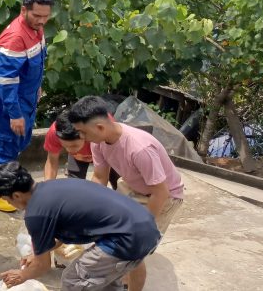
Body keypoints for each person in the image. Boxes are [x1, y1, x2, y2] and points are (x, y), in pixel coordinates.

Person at [68, 96, 185, 291]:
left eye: (82, 132)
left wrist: (142, 227)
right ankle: (122, 273)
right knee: (112, 232)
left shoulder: (139, 148)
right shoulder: (99, 141)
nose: (81, 137)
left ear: (99, 127)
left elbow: (161, 192)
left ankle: (130, 282)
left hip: (165, 196)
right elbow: (99, 177)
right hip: (132, 186)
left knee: (133, 246)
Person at [0, 162, 160, 291]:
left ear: (16, 195)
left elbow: (43, 266)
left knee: (74, 280)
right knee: (102, 279)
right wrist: (38, 253)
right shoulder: (52, 187)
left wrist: (22, 274)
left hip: (126, 238)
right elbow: (59, 237)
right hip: (145, 226)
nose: (8, 203)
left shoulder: (35, 213)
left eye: (7, 200)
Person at [0, 0, 54, 212]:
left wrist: (36, 87)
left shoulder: (36, 29)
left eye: (46, 16)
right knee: (8, 145)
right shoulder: (16, 38)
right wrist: (15, 114)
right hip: (11, 103)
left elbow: (34, 65)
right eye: (37, 15)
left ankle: (5, 181)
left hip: (26, 98)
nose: (42, 20)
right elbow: (6, 82)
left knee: (18, 143)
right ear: (23, 10)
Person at [43, 111, 119, 187]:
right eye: (66, 146)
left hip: (107, 154)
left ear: (84, 134)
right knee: (74, 186)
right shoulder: (54, 132)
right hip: (78, 158)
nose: (70, 150)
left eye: (74, 146)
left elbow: (100, 178)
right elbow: (51, 163)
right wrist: (48, 189)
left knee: (117, 183)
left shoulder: (102, 130)